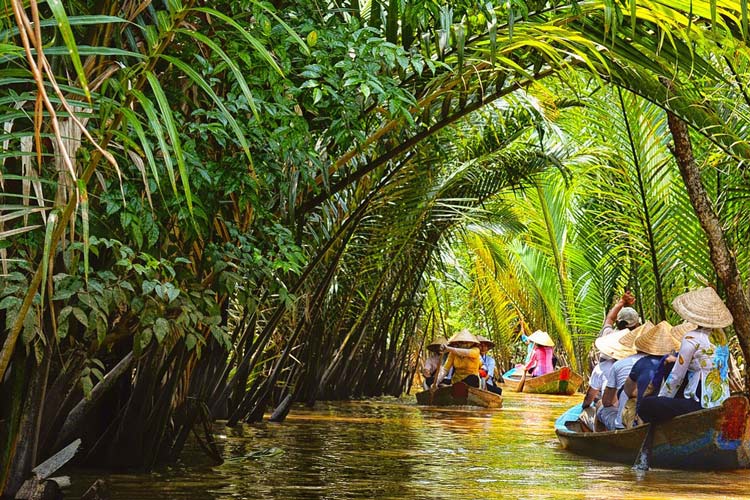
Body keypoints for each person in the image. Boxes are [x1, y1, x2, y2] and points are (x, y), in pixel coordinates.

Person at [639, 287, 733, 424]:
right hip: (722, 400)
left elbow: (677, 375)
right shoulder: (721, 338)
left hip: (700, 404)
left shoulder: (691, 337)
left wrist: (663, 399)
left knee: (646, 405)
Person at [621, 321, 680, 427]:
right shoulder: (680, 361)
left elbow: (628, 391)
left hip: (649, 415)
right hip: (671, 412)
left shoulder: (641, 363)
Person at [596, 321, 653, 431]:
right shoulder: (663, 362)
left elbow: (607, 402)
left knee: (600, 406)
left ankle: (597, 438)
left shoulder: (619, 365)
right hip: (649, 421)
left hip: (623, 425)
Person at [579, 327, 637, 430]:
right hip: (640, 419)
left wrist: (584, 408)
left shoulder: (608, 366)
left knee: (600, 404)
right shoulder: (645, 362)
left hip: (622, 422)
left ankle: (597, 437)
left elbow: (597, 399)